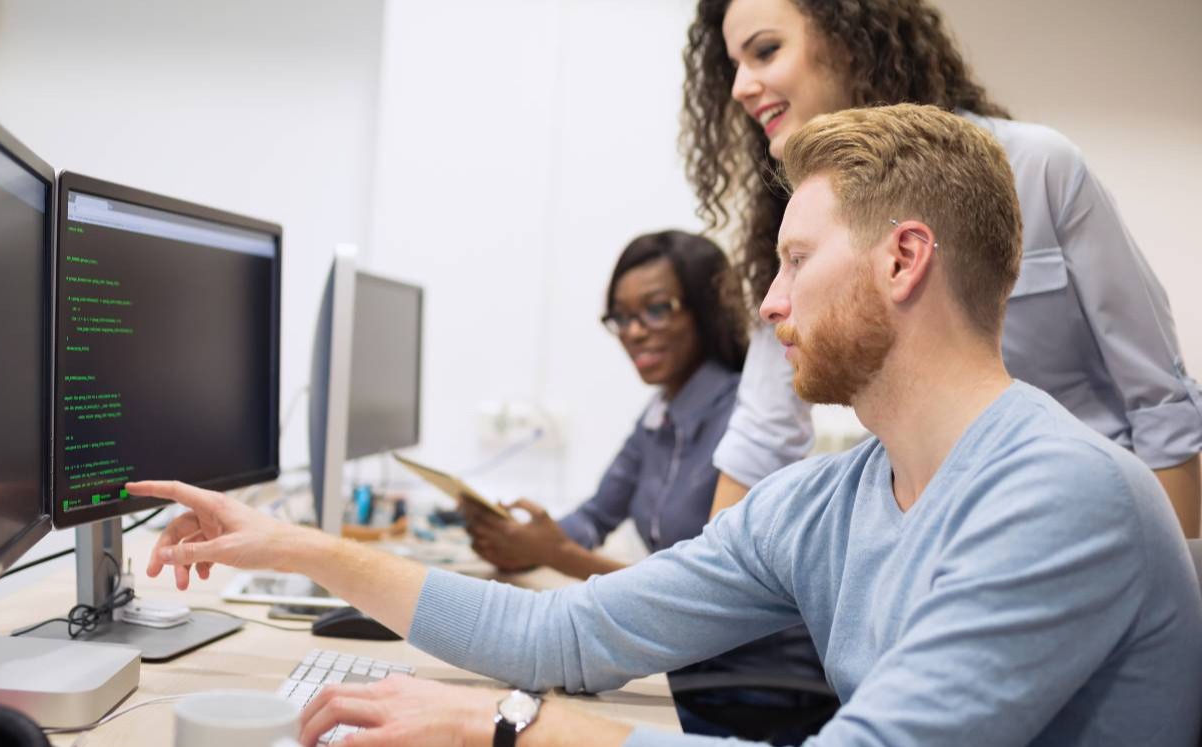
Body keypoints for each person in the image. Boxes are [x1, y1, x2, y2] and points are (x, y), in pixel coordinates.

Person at [131, 105, 1202, 746]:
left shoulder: (1060, 495)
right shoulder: (826, 501)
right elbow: (564, 636)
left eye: (791, 261)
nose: (769, 303)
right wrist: (290, 546)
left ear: (903, 260)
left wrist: (508, 726)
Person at [685, 0, 1202, 537]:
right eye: (733, 67)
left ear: (848, 39)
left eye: (765, 51)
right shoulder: (801, 225)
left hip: (1091, 525)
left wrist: (1173, 581)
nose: (741, 87)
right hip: (939, 537)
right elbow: (761, 432)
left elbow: (1161, 402)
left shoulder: (1039, 168)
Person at [461, 230, 746, 579]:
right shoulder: (659, 415)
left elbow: (705, 587)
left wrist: (554, 553)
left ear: (707, 309)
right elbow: (595, 517)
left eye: (657, 309)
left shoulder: (746, 420)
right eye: (622, 316)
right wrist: (518, 545)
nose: (633, 332)